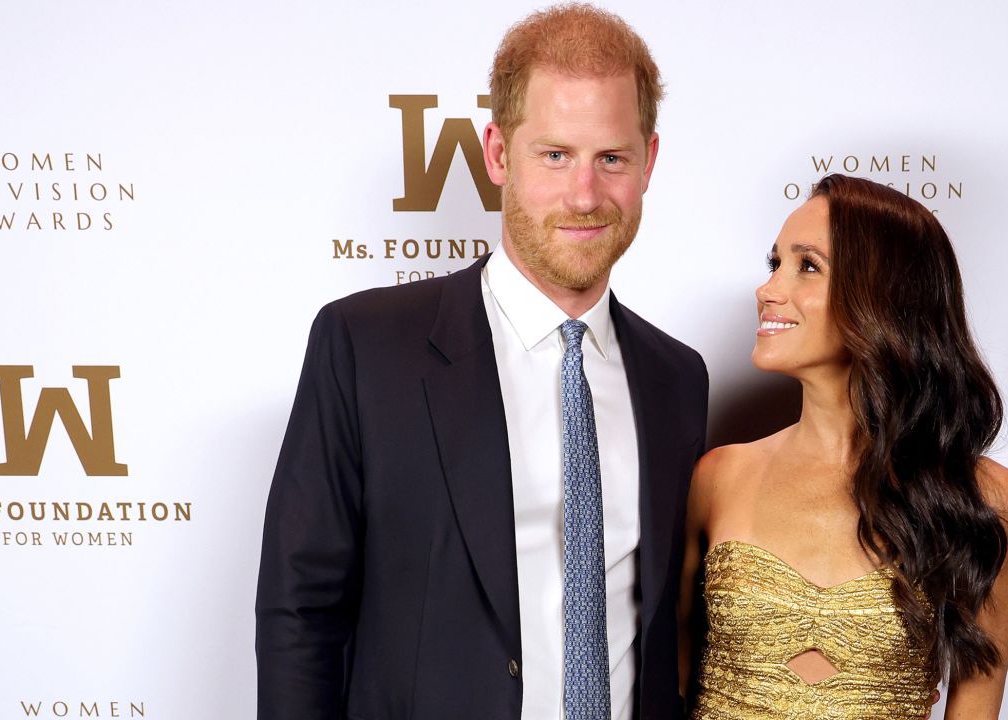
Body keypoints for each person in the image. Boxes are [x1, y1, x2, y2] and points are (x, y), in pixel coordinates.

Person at [255, 5, 707, 719]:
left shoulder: (677, 379)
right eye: (554, 155)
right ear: (498, 153)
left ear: (649, 161)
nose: (584, 195)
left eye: (611, 159)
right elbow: (299, 615)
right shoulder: (367, 347)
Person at [678, 174, 1008, 719]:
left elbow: (976, 700)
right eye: (774, 264)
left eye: (807, 266)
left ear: (882, 297)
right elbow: (673, 683)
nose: (768, 290)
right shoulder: (720, 476)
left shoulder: (984, 498)